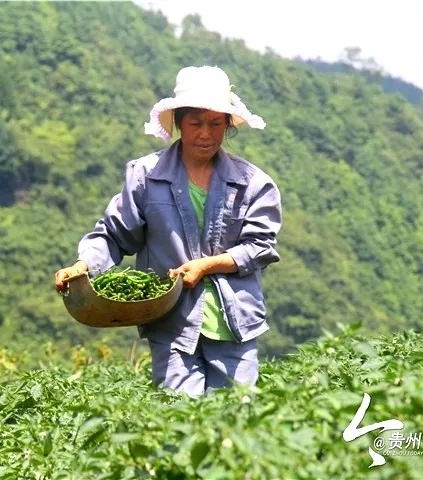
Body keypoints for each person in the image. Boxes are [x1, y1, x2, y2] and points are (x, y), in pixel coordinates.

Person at [54, 66, 282, 397]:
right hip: (172, 322)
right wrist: (84, 267)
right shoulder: (146, 176)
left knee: (236, 419)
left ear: (227, 125)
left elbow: (260, 247)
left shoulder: (253, 184)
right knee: (179, 422)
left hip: (234, 325)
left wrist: (207, 266)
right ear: (178, 122)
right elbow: (115, 234)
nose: (205, 133)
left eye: (216, 124)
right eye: (196, 123)